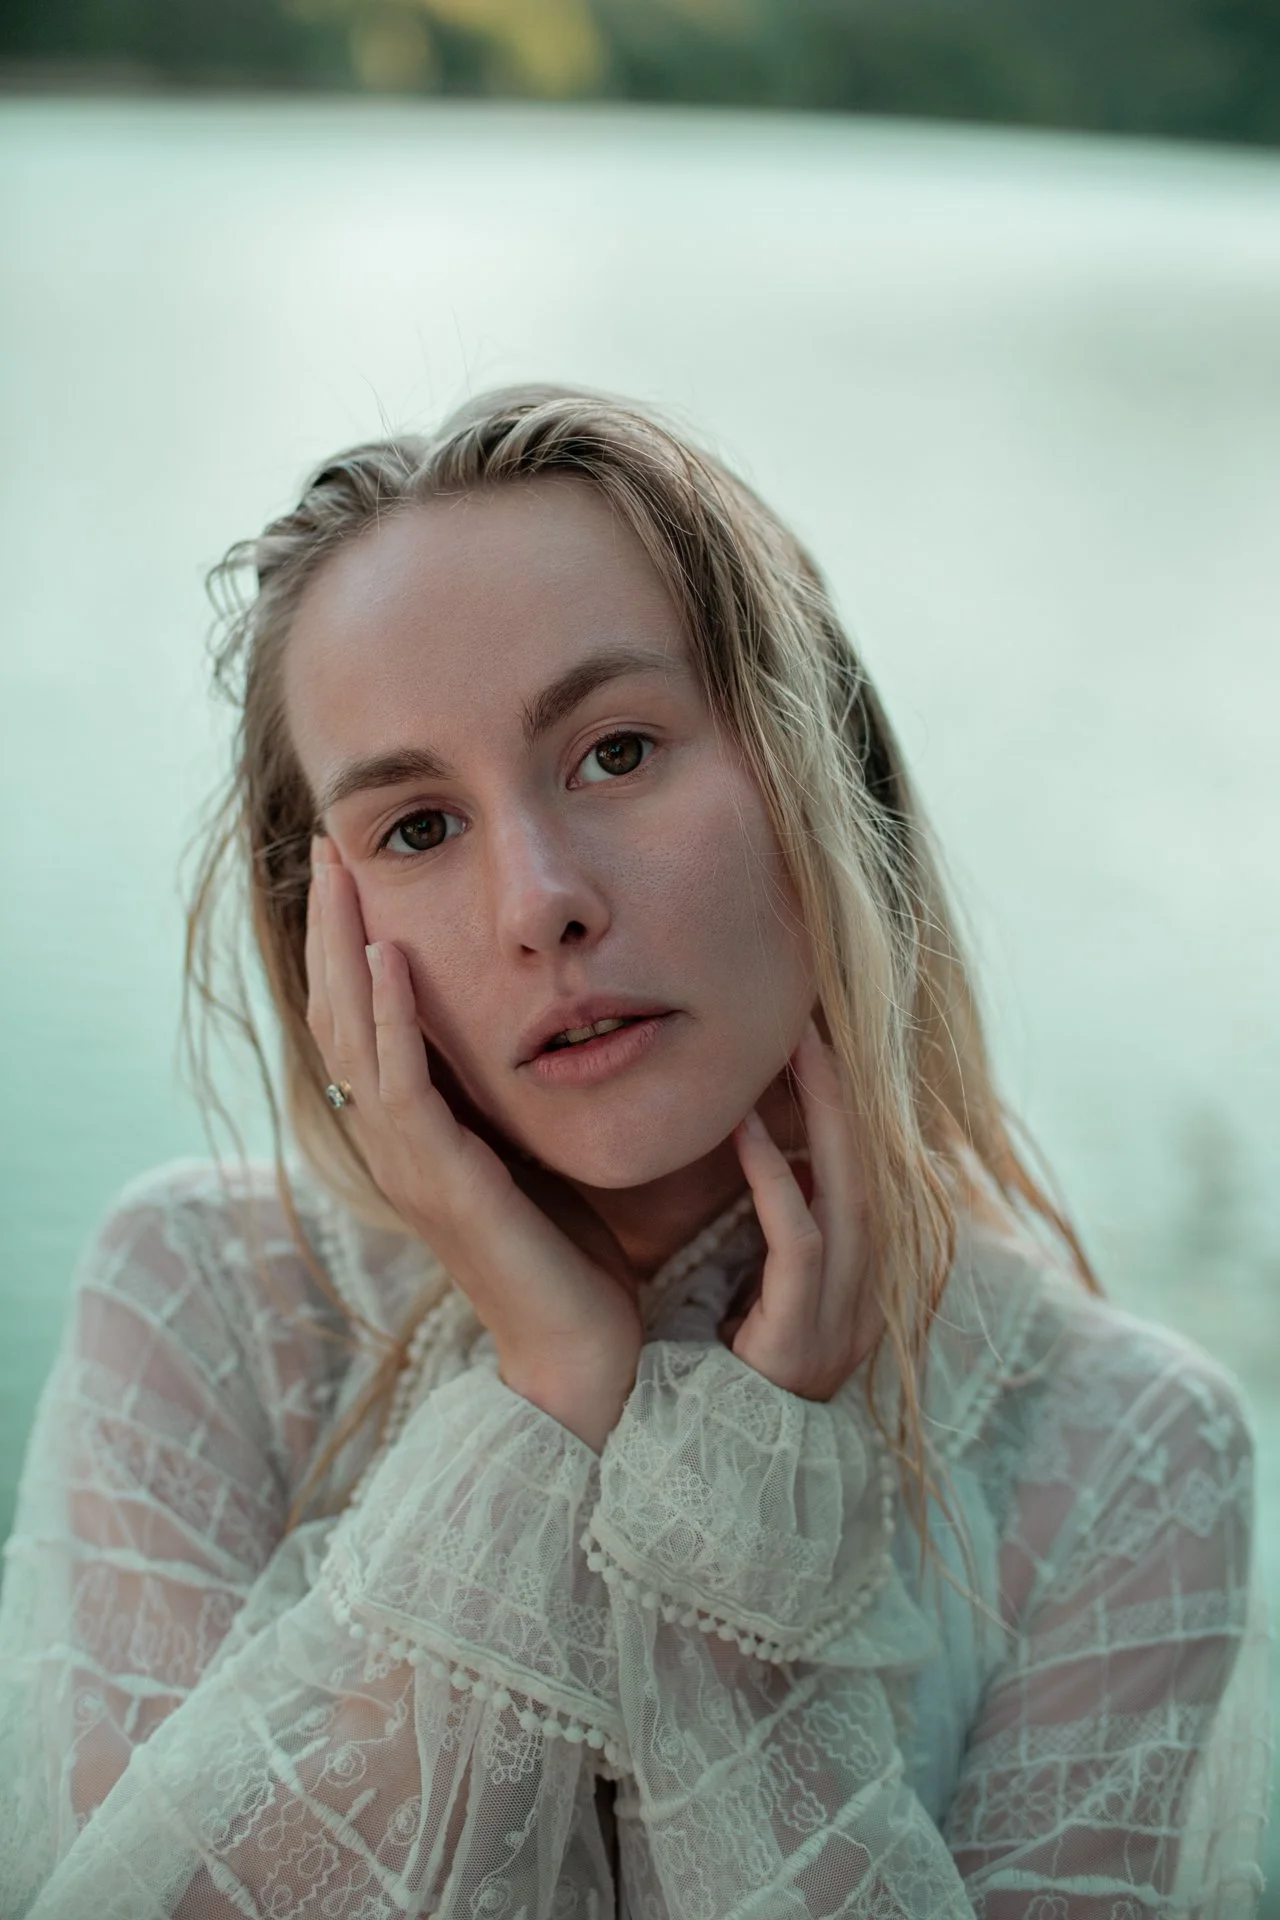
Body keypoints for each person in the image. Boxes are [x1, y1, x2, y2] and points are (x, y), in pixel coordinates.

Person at [0, 385, 1270, 1918]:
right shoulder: (202, 1306)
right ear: (326, 933)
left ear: (822, 776)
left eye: (615, 751)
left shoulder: (1122, 1454)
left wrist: (733, 1555)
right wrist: (551, 1386)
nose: (539, 900)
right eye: (417, 829)